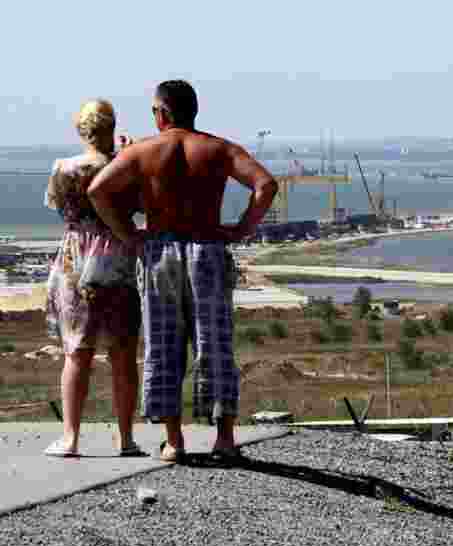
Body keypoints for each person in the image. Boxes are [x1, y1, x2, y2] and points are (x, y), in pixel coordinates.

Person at [87, 80, 278, 463]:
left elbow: (98, 191)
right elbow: (265, 185)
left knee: (163, 344)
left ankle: (174, 442)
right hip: (207, 247)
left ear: (163, 113)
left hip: (159, 251)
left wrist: (129, 236)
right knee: (214, 343)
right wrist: (242, 228)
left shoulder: (144, 151)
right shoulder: (218, 149)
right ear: (194, 110)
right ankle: (224, 439)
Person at [43, 99, 144, 457]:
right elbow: (142, 205)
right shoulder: (127, 166)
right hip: (118, 256)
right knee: (123, 350)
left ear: (80, 129)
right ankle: (127, 438)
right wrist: (126, 157)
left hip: (76, 257)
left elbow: (59, 206)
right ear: (113, 127)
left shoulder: (64, 168)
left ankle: (70, 437)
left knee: (77, 350)